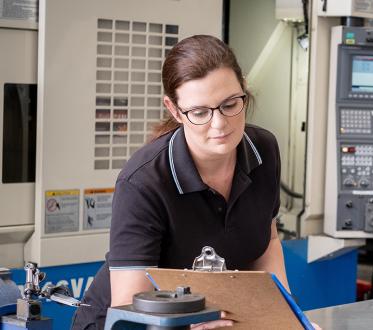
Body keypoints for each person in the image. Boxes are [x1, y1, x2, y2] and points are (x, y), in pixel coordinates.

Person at [72, 35, 289, 329]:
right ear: (175, 110)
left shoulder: (263, 150)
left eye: (229, 104)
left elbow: (267, 242)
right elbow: (127, 312)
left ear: (244, 93)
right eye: (200, 112)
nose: (219, 124)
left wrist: (281, 319)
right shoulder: (143, 182)